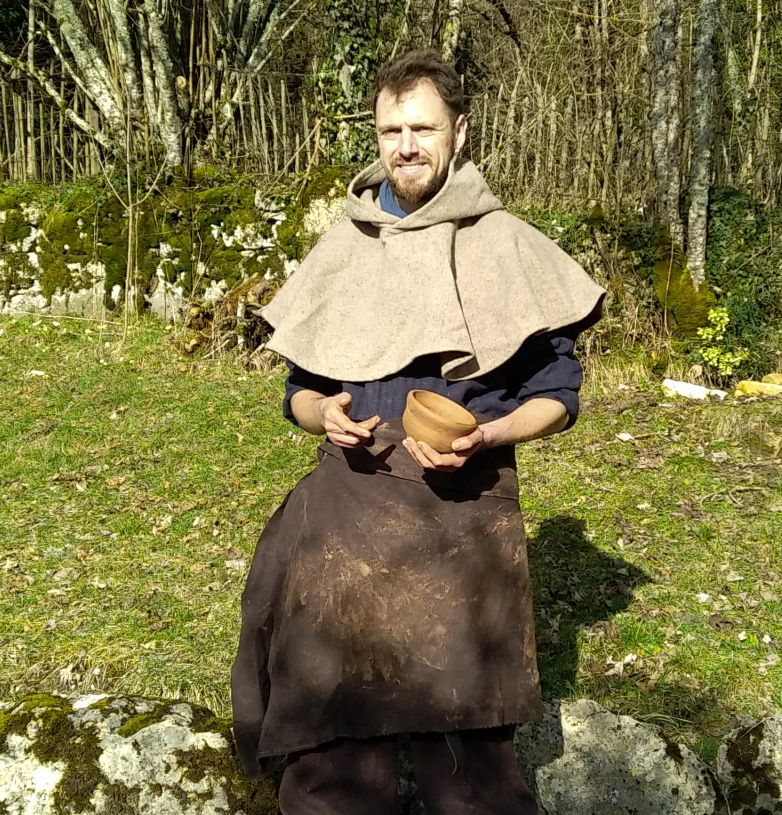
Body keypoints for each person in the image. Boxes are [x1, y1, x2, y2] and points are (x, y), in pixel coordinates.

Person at [230, 50, 606, 815]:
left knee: (470, 782)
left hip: (461, 518)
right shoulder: (348, 243)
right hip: (351, 512)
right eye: (391, 129)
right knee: (334, 779)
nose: (406, 145)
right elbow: (299, 392)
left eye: (423, 127)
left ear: (459, 132)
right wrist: (321, 415)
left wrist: (493, 434)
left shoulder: (506, 244)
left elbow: (559, 396)